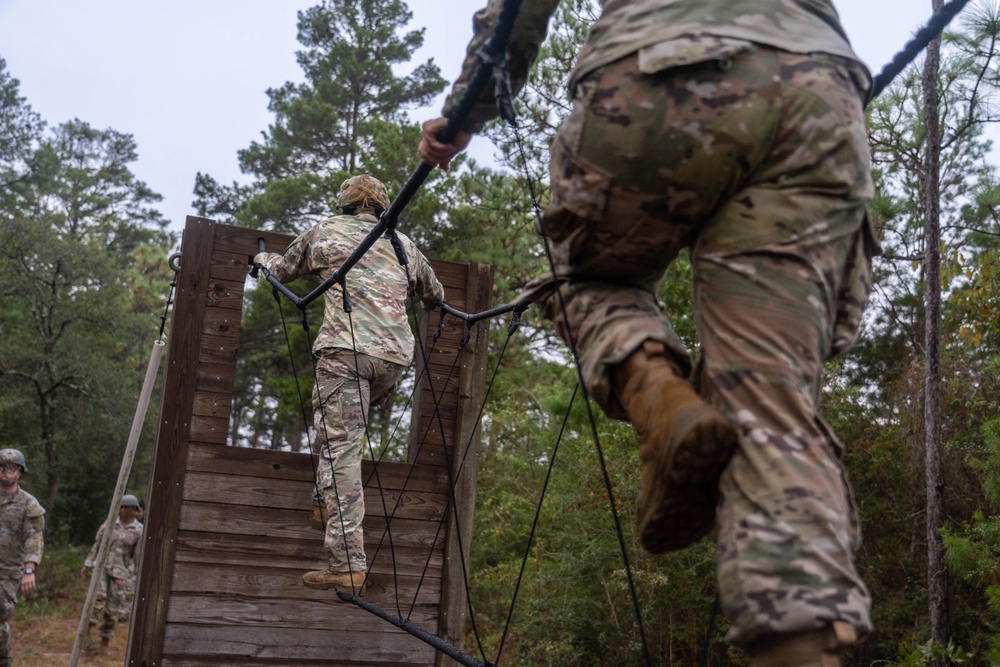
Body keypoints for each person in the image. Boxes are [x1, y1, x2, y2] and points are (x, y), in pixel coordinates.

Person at [419, 2, 879, 665]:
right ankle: (802, 646)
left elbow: (516, 12)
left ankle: (657, 393)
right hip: (820, 93)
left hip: (658, 69)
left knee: (579, 279)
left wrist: (464, 112)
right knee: (768, 395)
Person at [254, 174, 445, 595]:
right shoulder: (402, 244)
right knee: (337, 426)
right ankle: (325, 505)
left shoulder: (325, 230)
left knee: (341, 446)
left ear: (343, 204)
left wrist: (260, 261)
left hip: (345, 352)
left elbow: (284, 269)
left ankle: (347, 563)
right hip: (393, 360)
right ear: (381, 206)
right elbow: (435, 293)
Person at [81, 494, 144, 652]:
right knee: (98, 599)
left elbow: (138, 555)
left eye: (131, 508)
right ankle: (86, 636)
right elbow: (97, 545)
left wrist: (137, 575)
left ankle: (104, 643)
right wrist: (87, 564)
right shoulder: (109, 524)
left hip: (121, 573)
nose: (128, 510)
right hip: (102, 568)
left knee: (112, 609)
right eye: (125, 507)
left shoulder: (139, 530)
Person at [0, 448, 44, 667]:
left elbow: (34, 537)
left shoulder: (29, 503)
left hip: (8, 573)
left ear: (20, 472)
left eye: (12, 467)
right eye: (2, 466)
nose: (7, 471)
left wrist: (29, 571)